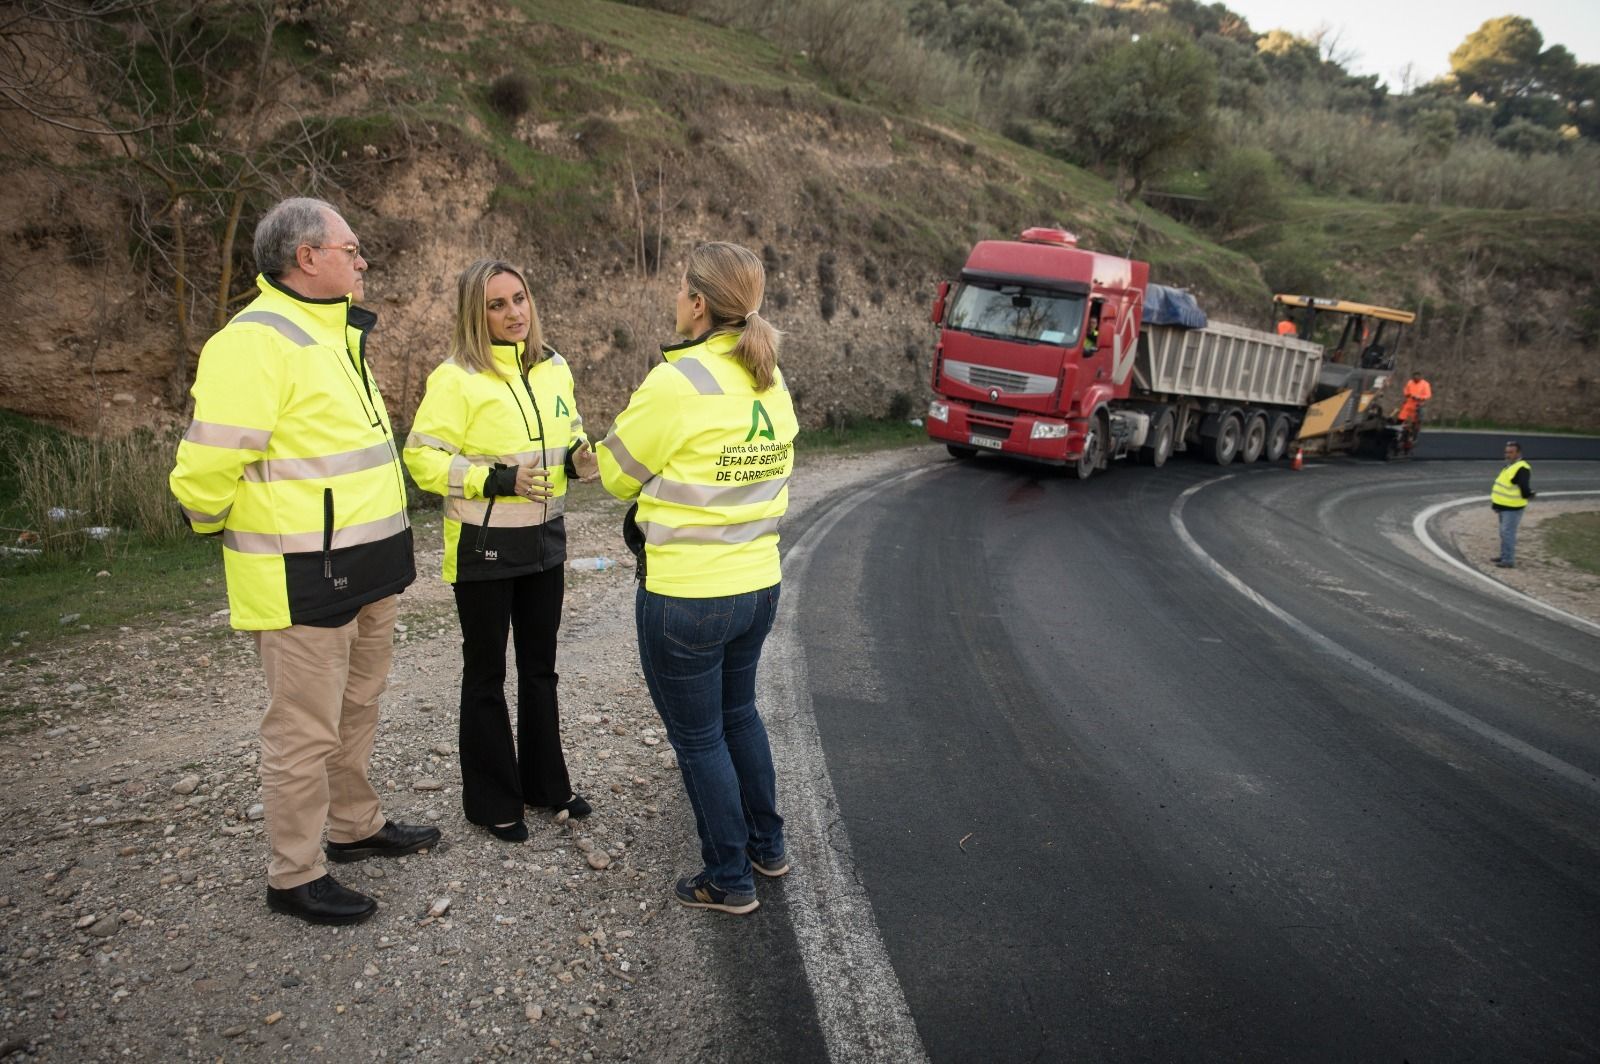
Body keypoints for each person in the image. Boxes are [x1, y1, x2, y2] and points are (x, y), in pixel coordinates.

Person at [169, 197, 439, 926]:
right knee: (303, 731)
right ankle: (293, 874)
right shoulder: (255, 342)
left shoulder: (333, 336)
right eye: (351, 249)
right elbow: (204, 472)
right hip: (303, 577)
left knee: (356, 710)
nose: (361, 261)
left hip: (369, 568)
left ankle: (354, 827)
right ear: (306, 257)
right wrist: (221, 526)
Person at [597, 241, 799, 916]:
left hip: (687, 593)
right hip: (757, 582)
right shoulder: (768, 375)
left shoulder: (678, 382)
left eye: (681, 289)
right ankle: (767, 848)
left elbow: (614, 473)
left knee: (699, 737)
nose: (676, 299)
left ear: (698, 303)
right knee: (738, 714)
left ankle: (728, 877)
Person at [404, 260, 598, 842]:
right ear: (475, 314)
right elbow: (421, 458)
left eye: (520, 299)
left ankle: (546, 785)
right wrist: (494, 480)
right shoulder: (455, 377)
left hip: (546, 541)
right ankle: (492, 801)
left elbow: (568, 433)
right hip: (483, 547)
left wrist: (580, 456)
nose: (514, 313)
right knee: (486, 674)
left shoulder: (554, 368)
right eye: (497, 305)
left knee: (541, 669)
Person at [1491, 440, 1535, 568]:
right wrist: (1496, 504)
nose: (1507, 455)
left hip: (1513, 508)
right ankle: (1504, 555)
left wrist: (1529, 494)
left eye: (1511, 452)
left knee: (1507, 533)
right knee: (1503, 533)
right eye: (1506, 452)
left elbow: (1525, 489)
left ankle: (1508, 560)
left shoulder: (1522, 468)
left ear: (1518, 453)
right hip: (1503, 506)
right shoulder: (1509, 466)